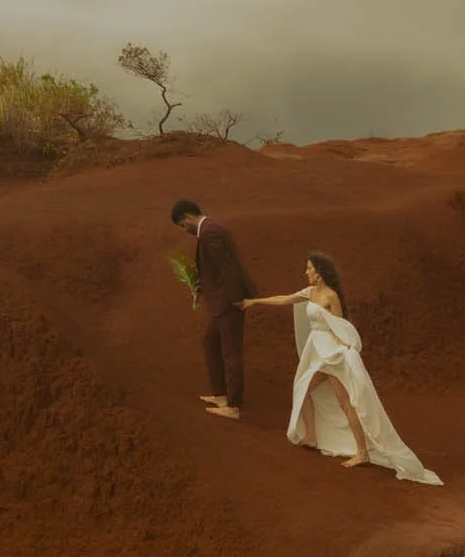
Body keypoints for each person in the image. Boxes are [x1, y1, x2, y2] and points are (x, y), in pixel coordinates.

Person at [240, 254, 442, 485]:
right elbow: (285, 299)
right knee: (304, 388)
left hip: (330, 355)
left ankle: (363, 452)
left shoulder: (330, 296)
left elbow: (340, 326)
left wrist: (339, 352)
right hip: (315, 352)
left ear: (320, 272)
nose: (306, 272)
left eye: (309, 269)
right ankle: (313, 437)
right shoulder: (309, 292)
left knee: (346, 404)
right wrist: (255, 302)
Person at [171, 198, 258, 419]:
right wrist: (200, 286)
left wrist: (237, 299)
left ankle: (233, 405)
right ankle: (220, 394)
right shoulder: (210, 229)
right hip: (222, 300)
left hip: (228, 302)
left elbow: (228, 267)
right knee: (210, 342)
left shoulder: (210, 232)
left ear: (189, 217)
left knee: (230, 352)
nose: (184, 230)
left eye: (183, 225)